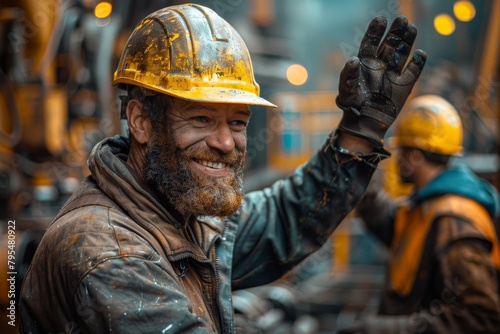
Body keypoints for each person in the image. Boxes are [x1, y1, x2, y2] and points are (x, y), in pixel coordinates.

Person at [19, 4, 426, 333]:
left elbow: (284, 217)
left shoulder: (177, 214)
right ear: (141, 122)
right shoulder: (109, 253)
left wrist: (360, 131)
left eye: (237, 122)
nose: (226, 143)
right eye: (200, 120)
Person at [349, 95, 500, 333]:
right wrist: (365, 189)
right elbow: (394, 225)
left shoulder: (455, 220)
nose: (397, 159)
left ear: (415, 157)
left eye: (402, 151)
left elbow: (480, 316)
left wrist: (389, 329)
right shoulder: (427, 204)